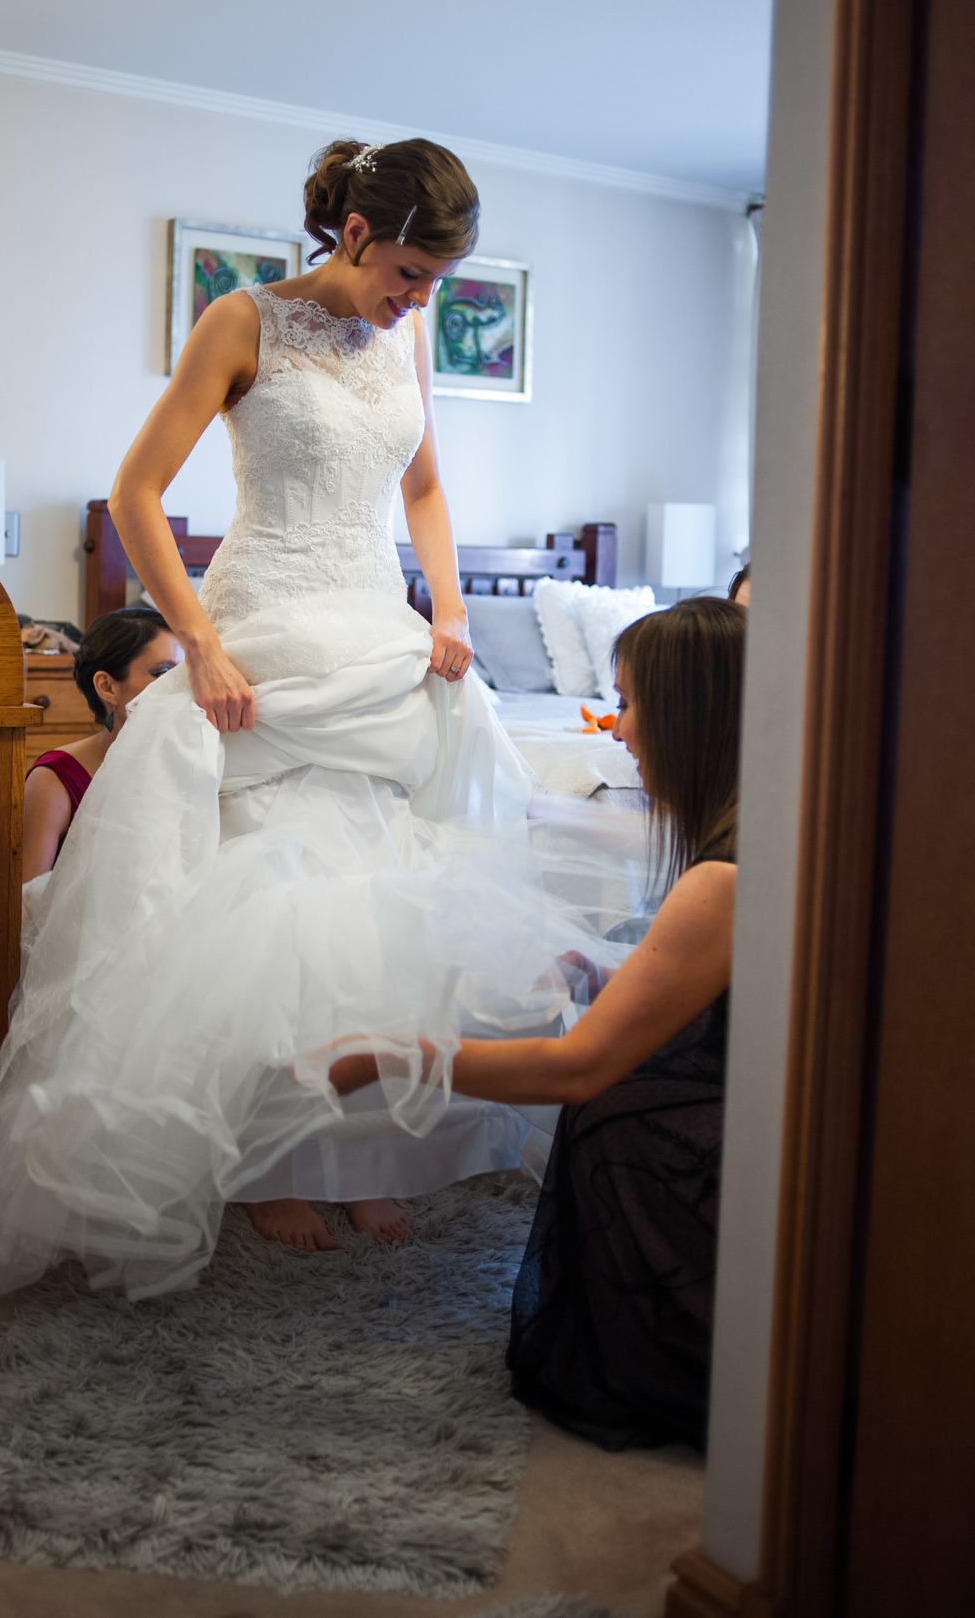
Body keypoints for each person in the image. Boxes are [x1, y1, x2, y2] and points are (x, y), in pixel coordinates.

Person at [0, 136, 627, 1300]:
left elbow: (422, 484)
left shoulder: (406, 337)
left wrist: (450, 607)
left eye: (437, 284)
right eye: (408, 274)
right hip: (261, 625)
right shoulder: (241, 321)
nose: (418, 301)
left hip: (374, 628)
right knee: (267, 884)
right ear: (355, 233)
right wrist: (200, 645)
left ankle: (356, 1152)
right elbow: (136, 493)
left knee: (372, 891)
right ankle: (265, 1165)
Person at [331, 597, 745, 1448]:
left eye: (629, 702)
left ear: (690, 713)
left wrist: (395, 1053)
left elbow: (574, 1067)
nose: (617, 728)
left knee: (607, 1107)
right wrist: (605, 970)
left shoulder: (721, 878)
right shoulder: (767, 835)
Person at [21, 608, 182, 883]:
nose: (182, 687)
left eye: (184, 673)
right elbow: (27, 900)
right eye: (163, 672)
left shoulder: (190, 762)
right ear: (107, 687)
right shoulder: (53, 782)